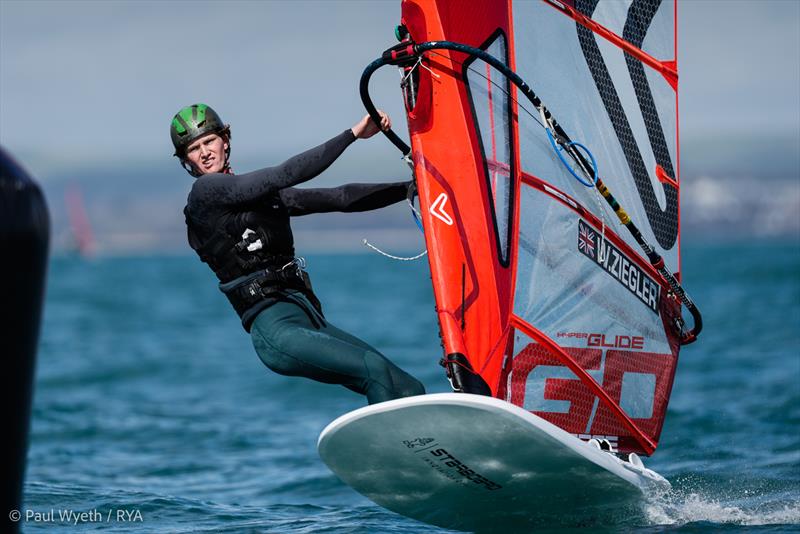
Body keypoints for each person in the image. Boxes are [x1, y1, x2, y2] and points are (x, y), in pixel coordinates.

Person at [171, 103, 425, 405]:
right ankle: (393, 449)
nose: (205, 152)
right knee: (375, 370)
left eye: (209, 141)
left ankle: (436, 446)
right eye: (194, 148)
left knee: (407, 387)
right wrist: (354, 134)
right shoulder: (205, 193)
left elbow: (340, 198)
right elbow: (284, 174)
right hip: (276, 329)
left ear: (225, 140)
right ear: (187, 160)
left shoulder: (255, 197)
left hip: (307, 316)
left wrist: (414, 187)